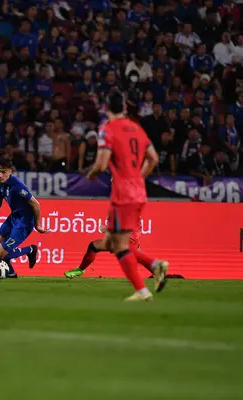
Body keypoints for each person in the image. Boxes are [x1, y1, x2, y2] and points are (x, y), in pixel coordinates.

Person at [85, 91, 169, 301]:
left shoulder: (107, 129)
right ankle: (151, 270)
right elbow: (153, 159)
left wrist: (91, 174)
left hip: (123, 194)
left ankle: (145, 284)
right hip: (139, 192)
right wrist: (137, 178)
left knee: (120, 246)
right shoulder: (137, 129)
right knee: (114, 244)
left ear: (106, 108)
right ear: (124, 108)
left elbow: (102, 164)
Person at [0, 158, 47, 278]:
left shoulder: (17, 186)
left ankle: (30, 250)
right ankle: (11, 272)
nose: (0, 175)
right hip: (13, 218)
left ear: (10, 171)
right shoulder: (0, 184)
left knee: (0, 253)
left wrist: (37, 225)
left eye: (3, 172)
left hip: (24, 222)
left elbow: (35, 204)